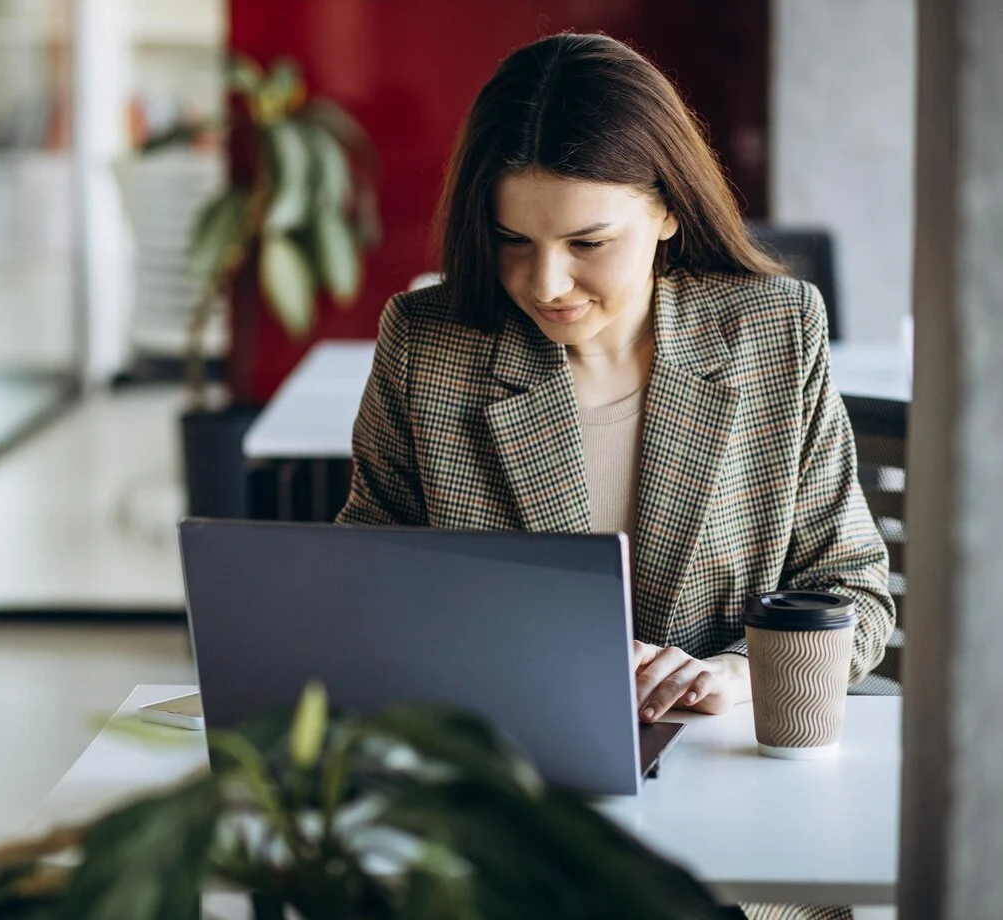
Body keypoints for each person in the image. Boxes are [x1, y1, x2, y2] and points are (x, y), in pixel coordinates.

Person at [337, 33, 893, 920]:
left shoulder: (774, 332)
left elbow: (854, 590)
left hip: (737, 839)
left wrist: (740, 673)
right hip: (503, 830)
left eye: (588, 241)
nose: (544, 280)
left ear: (668, 211)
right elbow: (362, 585)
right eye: (510, 238)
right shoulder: (428, 345)